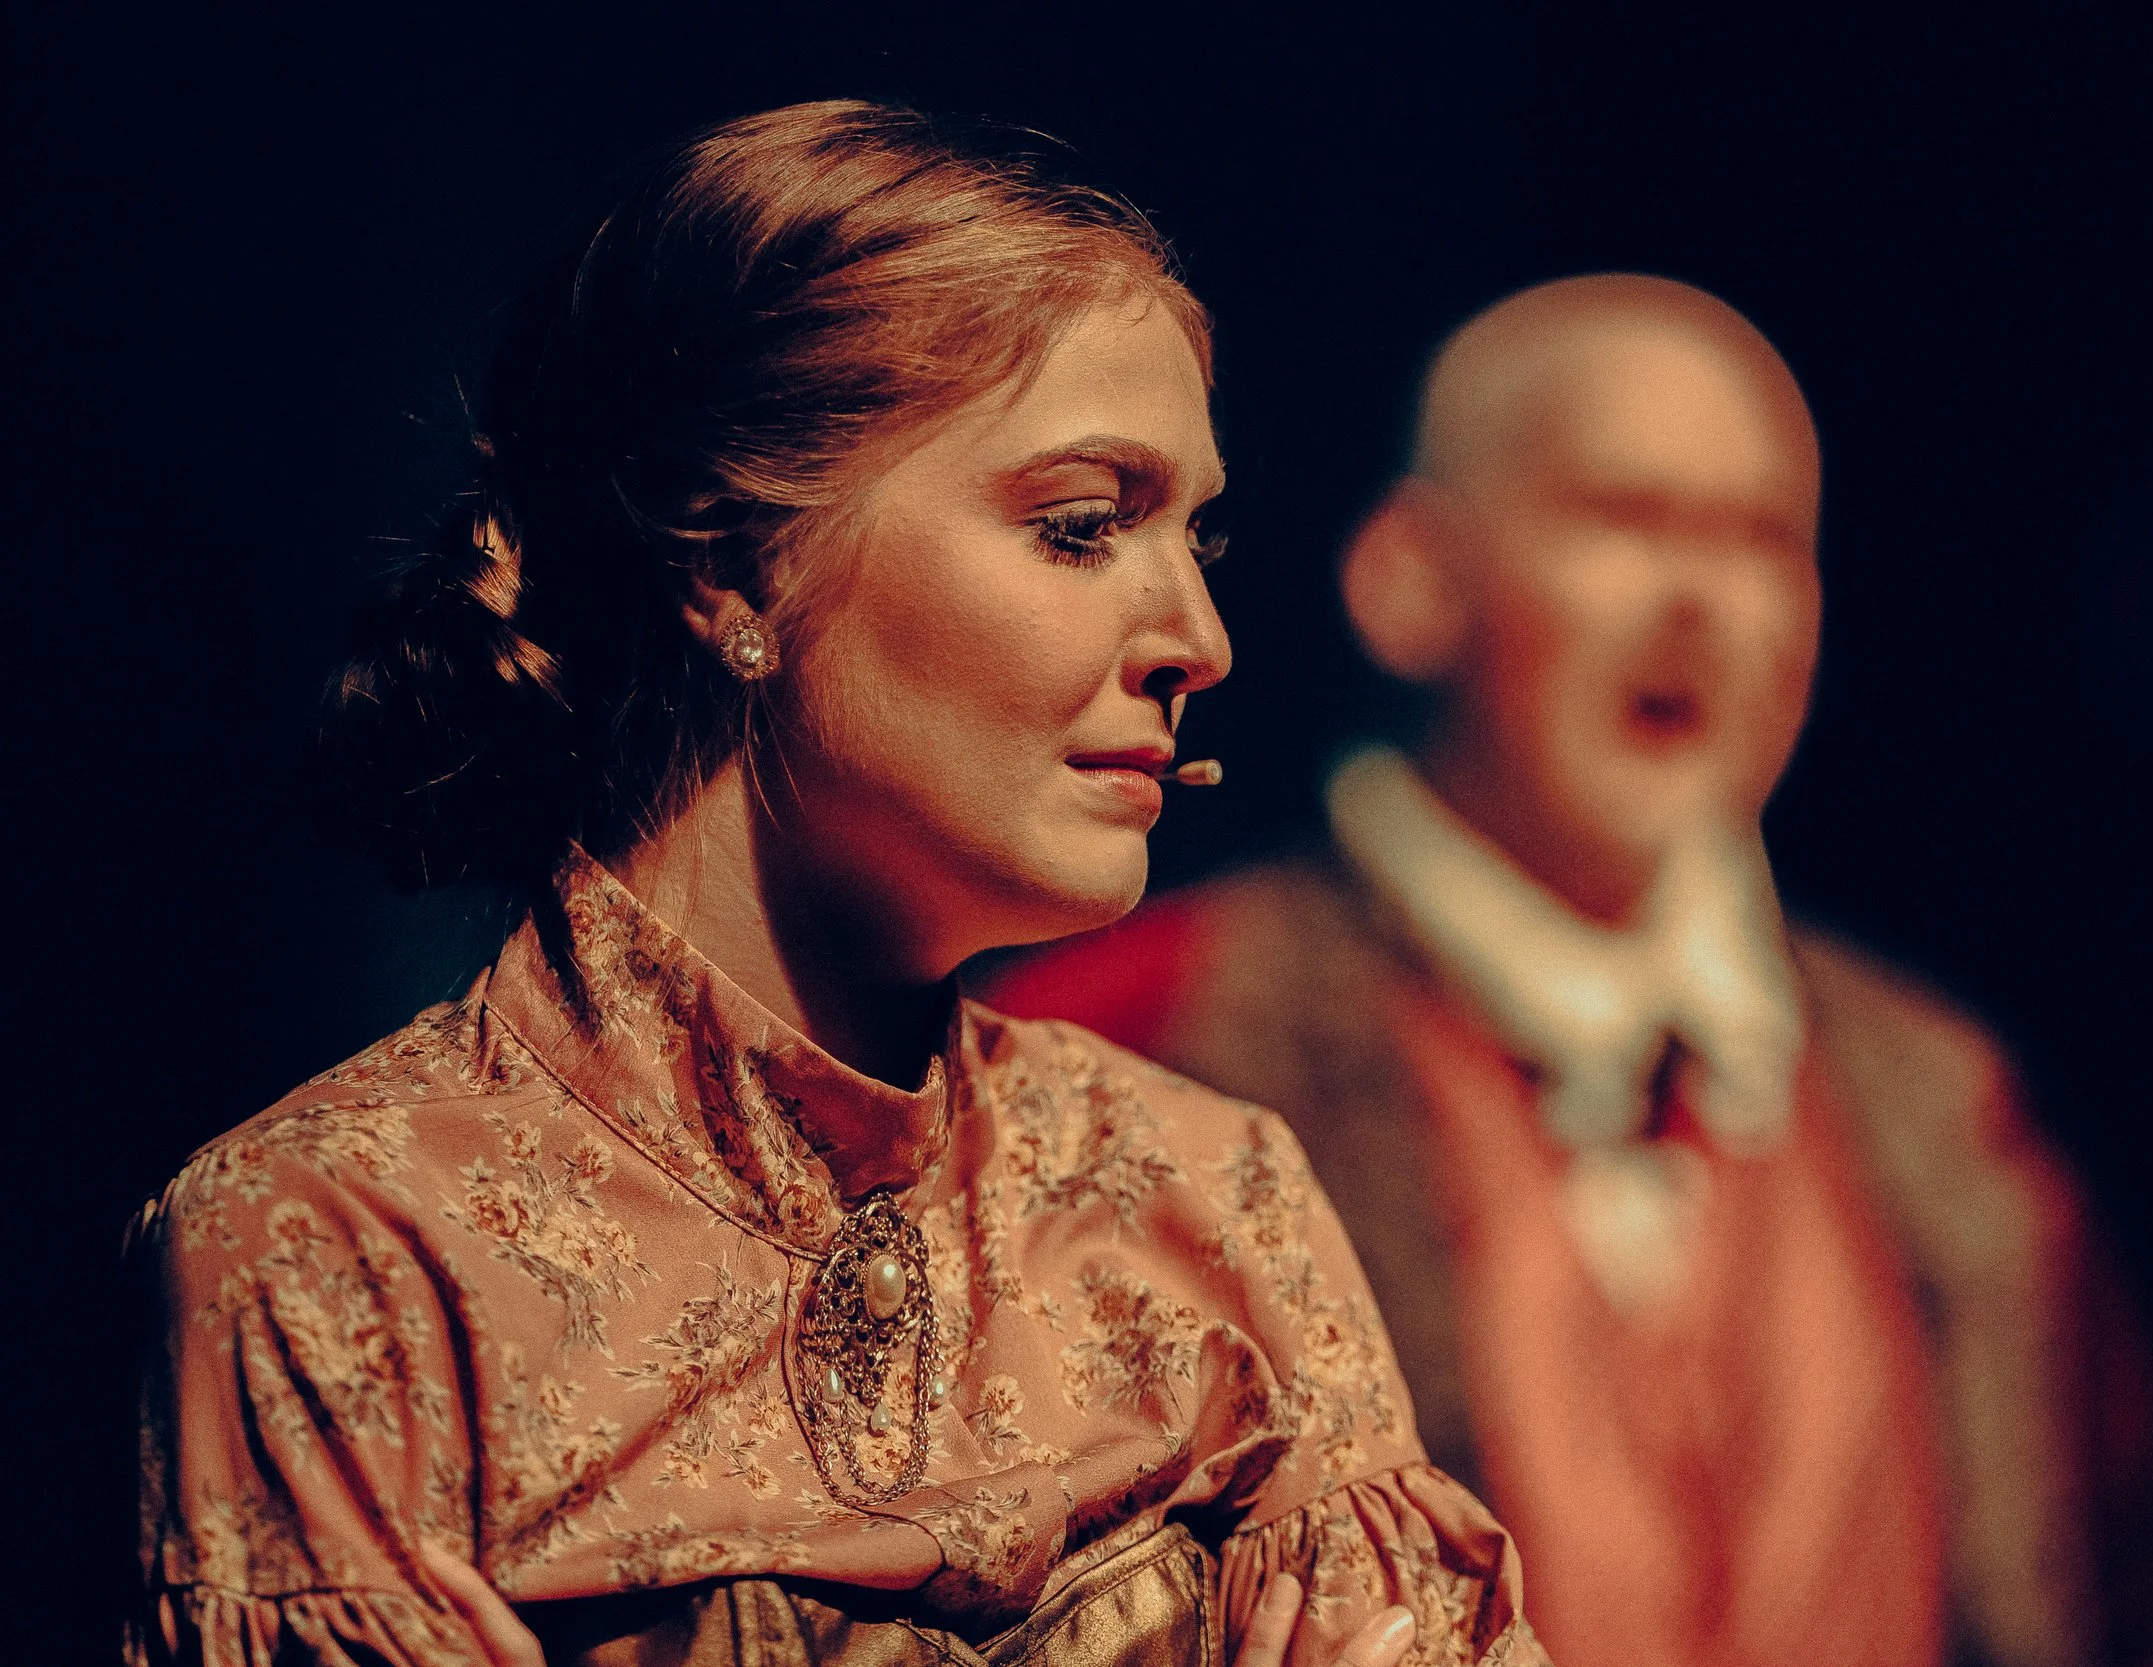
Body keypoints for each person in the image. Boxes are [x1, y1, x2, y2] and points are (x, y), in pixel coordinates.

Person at [127, 103, 1547, 1667]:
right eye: (1082, 528)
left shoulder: (1203, 1197)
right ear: (729, 563)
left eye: (1196, 538)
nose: (1199, 642)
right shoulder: (349, 1244)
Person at [986, 276, 2153, 1667]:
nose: (1697, 599)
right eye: (1621, 517)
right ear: (1410, 577)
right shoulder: (1130, 1044)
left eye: (1759, 539)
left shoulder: (1956, 1117)